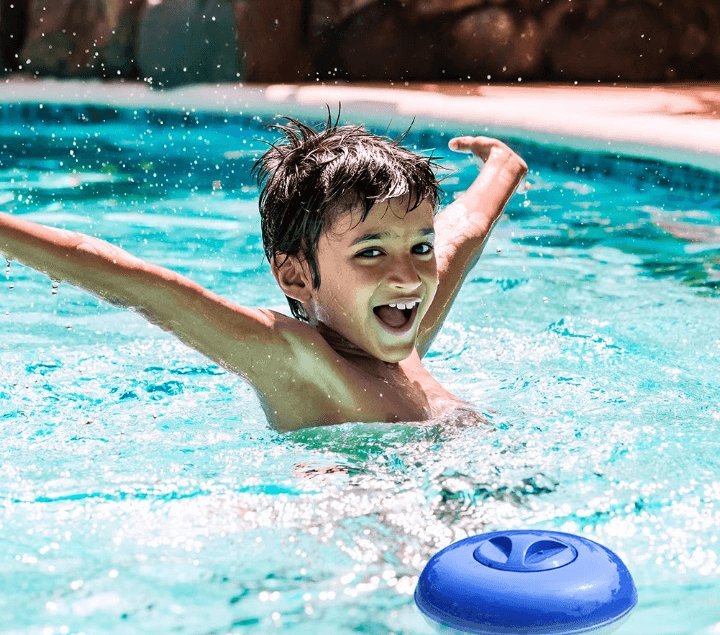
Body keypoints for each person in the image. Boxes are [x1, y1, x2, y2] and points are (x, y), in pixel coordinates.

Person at [0, 116, 527, 431]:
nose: (408, 275)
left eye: (418, 246)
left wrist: (503, 168)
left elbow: (464, 231)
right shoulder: (297, 359)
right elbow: (142, 283)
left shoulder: (402, 324)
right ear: (296, 276)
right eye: (370, 253)